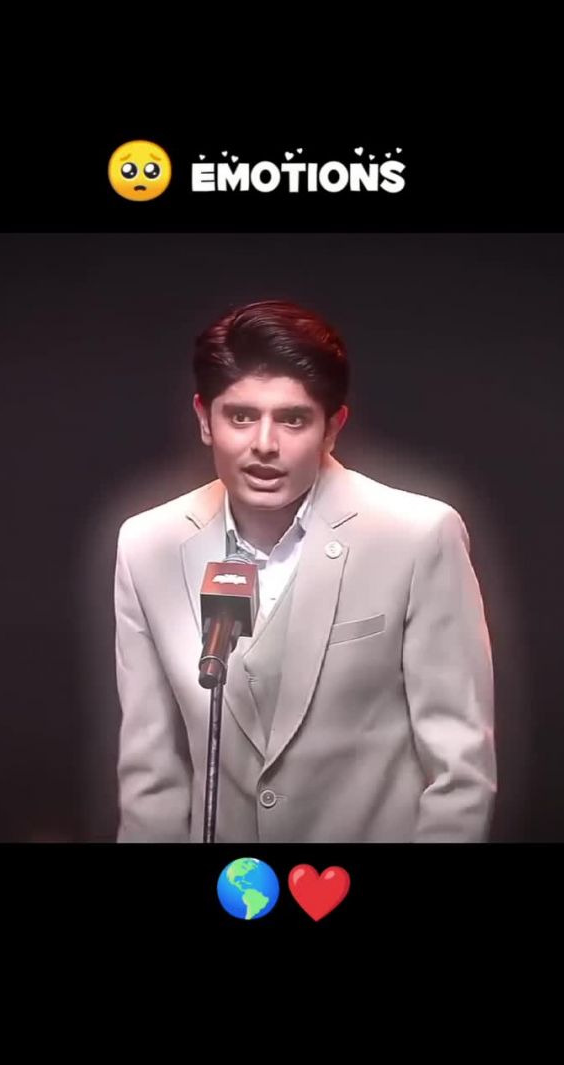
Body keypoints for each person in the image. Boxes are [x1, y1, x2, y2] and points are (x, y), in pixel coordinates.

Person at [114, 299, 496, 842]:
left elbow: (460, 768)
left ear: (332, 427)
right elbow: (151, 775)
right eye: (240, 416)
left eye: (292, 419)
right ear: (204, 419)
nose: (264, 445)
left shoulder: (417, 535)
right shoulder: (147, 545)